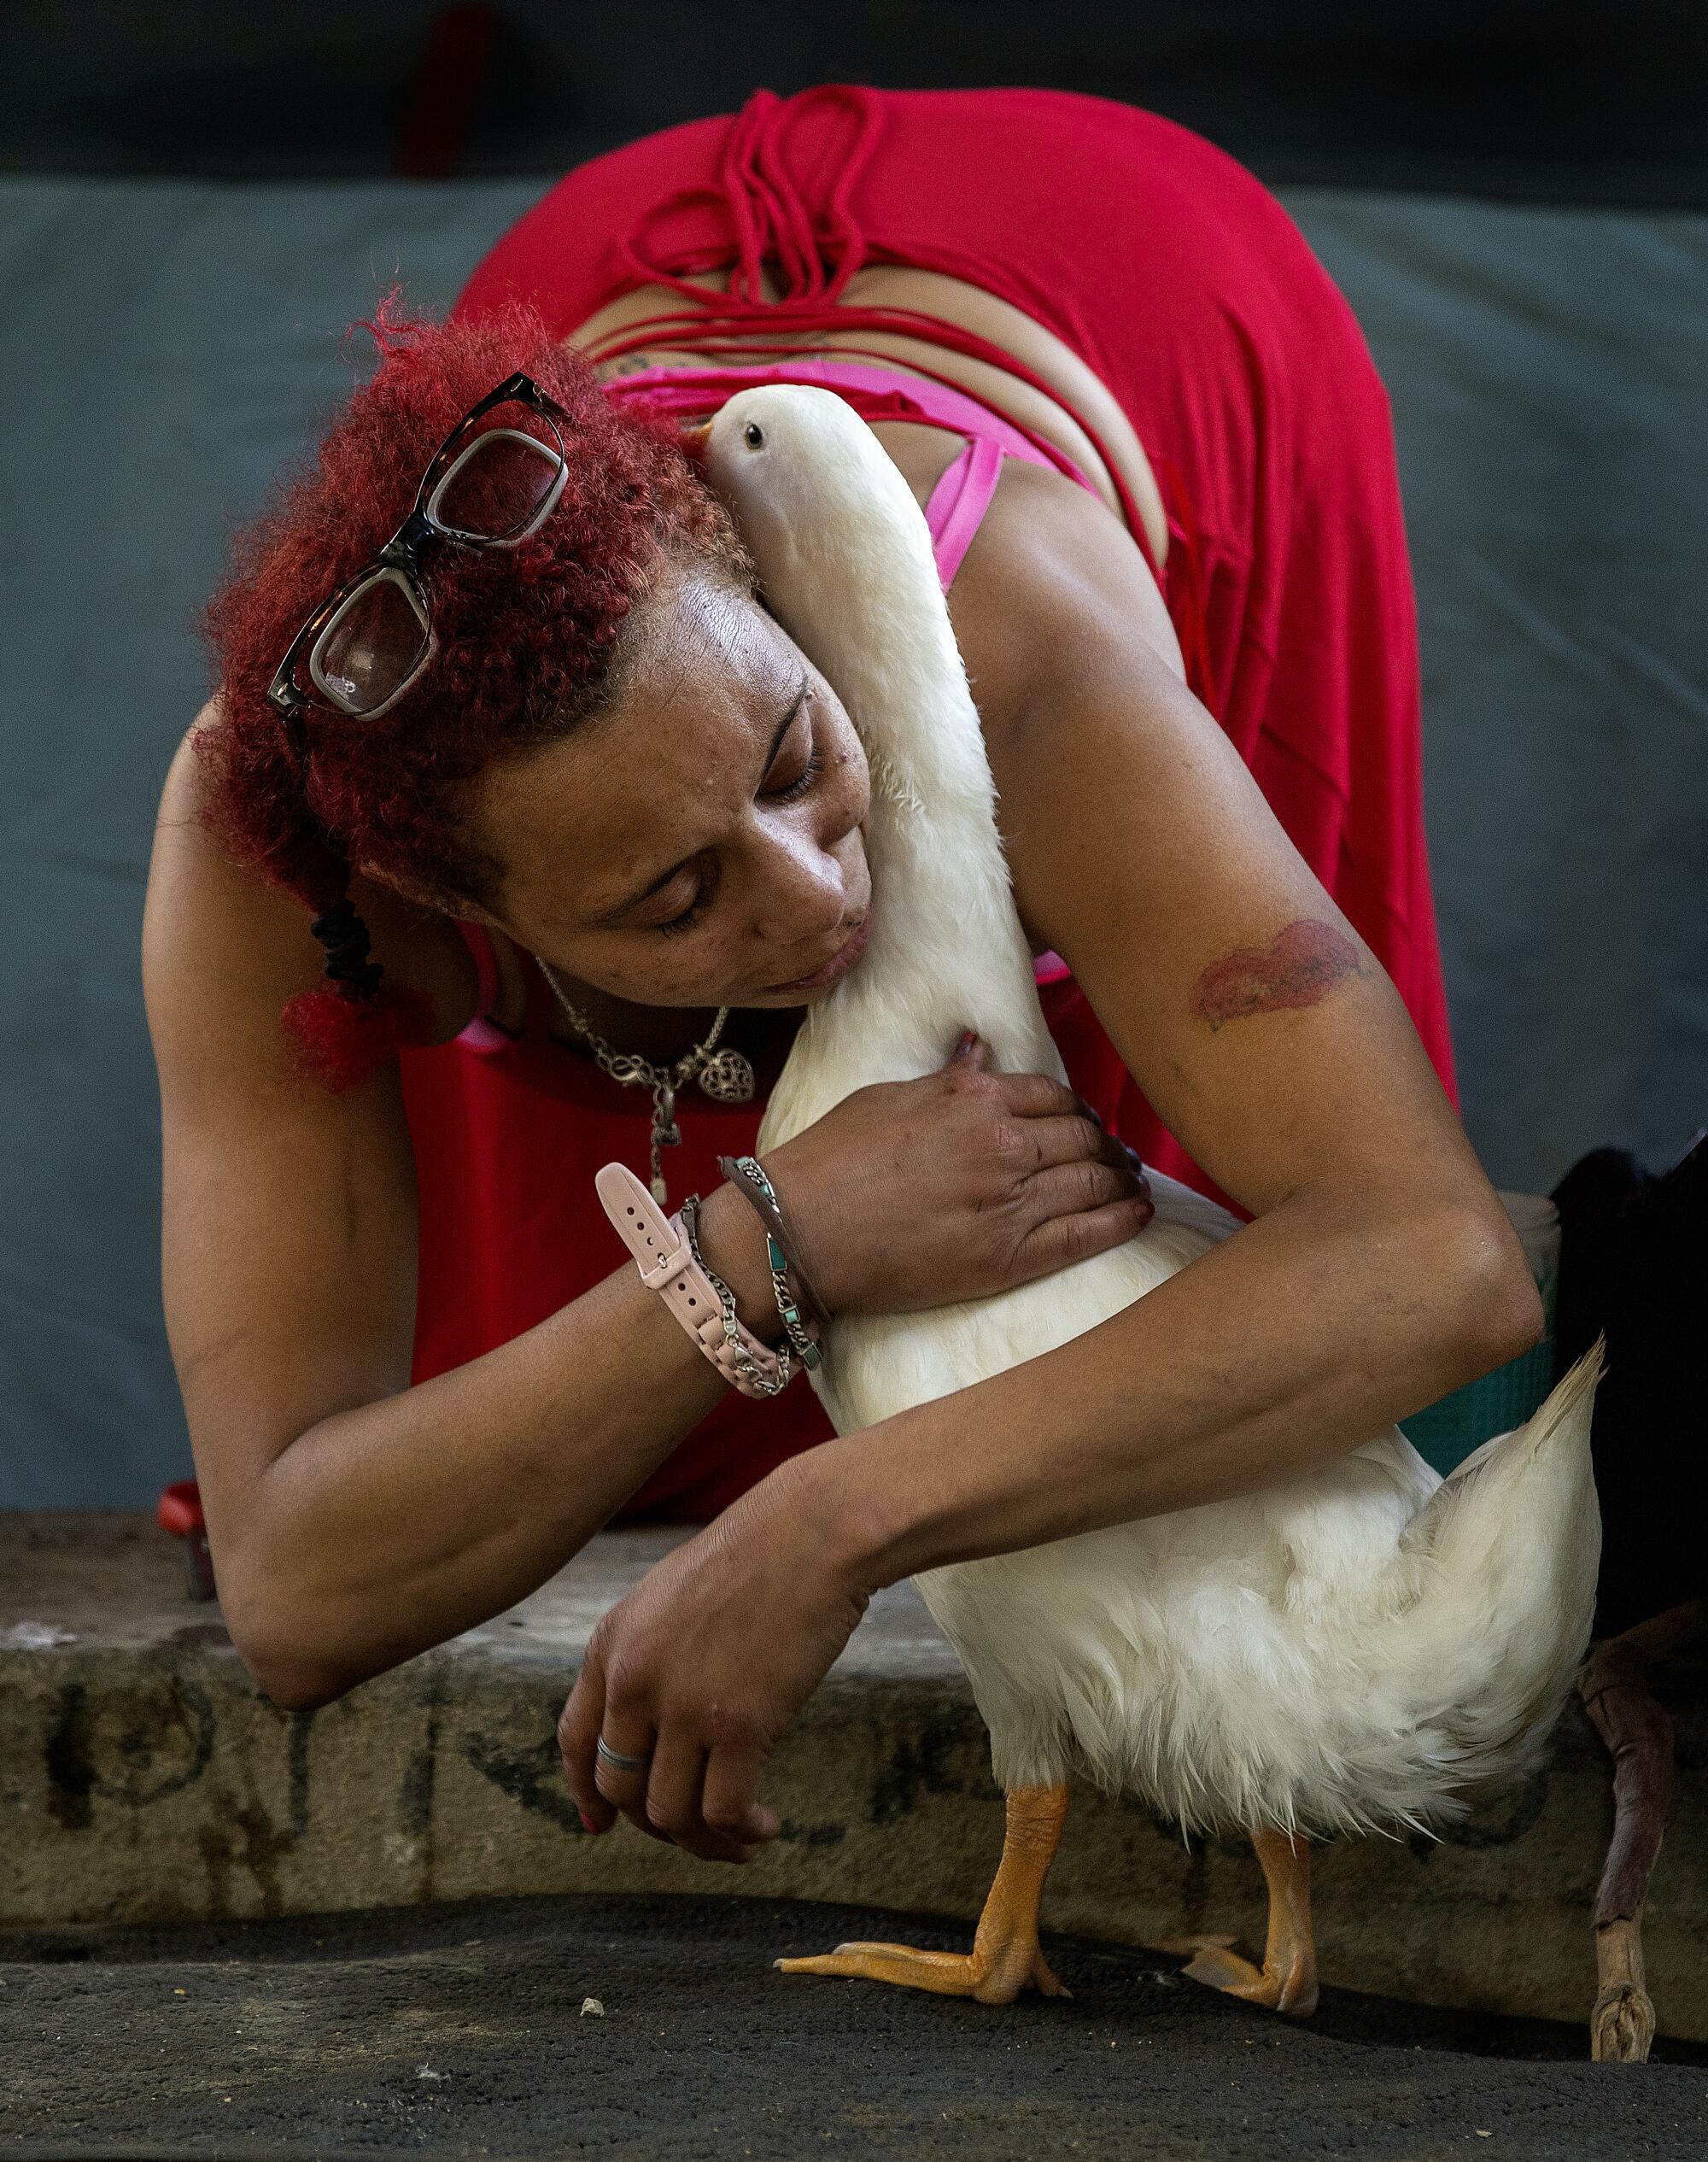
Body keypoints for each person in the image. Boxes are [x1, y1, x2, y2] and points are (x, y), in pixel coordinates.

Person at [143, 84, 1541, 1866]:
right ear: (443, 903)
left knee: (1165, 1320)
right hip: (607, 266)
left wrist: (834, 1517)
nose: (823, 906)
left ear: (741, 586)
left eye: (797, 759)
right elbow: (297, 1585)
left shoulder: (1030, 654)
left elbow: (1427, 1265)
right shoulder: (272, 846)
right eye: (671, 900)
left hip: (1133, 268)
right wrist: (760, 1245)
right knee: (630, 1424)